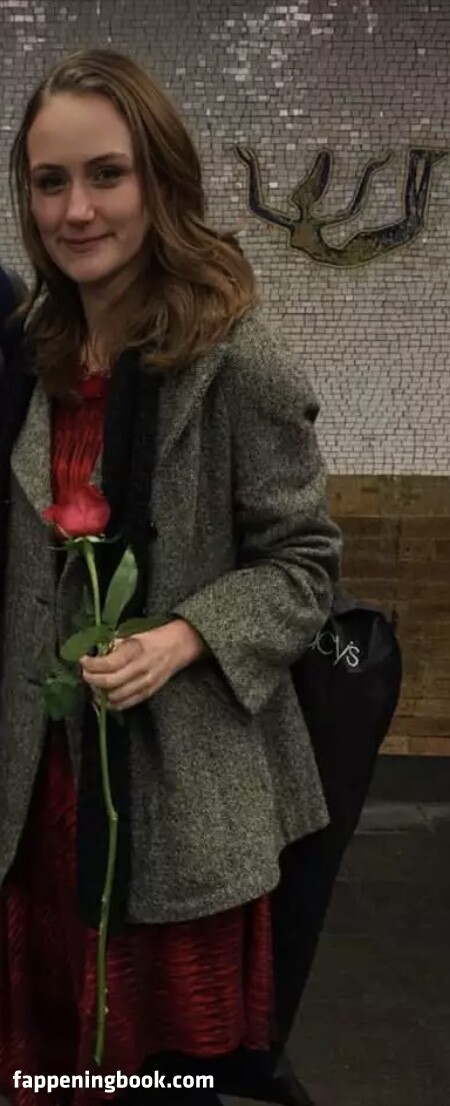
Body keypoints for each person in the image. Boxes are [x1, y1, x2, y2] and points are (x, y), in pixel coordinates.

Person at [0, 49, 341, 1106]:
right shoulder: (35, 351)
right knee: (52, 1063)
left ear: (160, 179)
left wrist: (184, 634)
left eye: (106, 174)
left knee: (157, 1072)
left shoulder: (236, 357)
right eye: (50, 181)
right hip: (38, 792)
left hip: (173, 797)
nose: (76, 208)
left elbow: (305, 564)